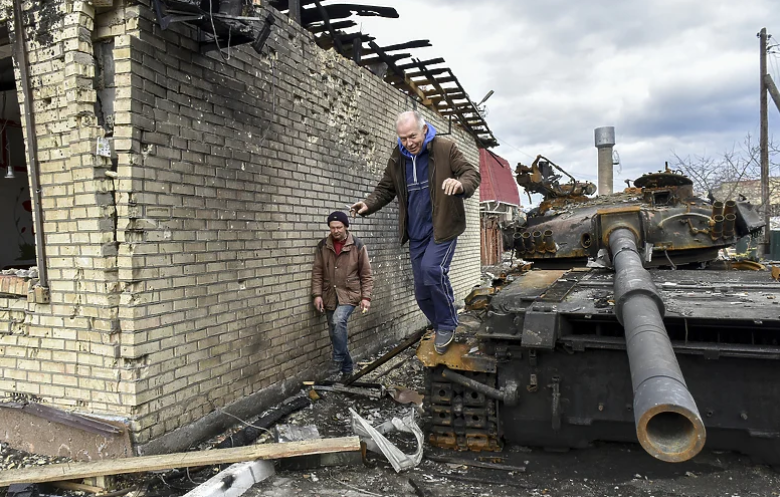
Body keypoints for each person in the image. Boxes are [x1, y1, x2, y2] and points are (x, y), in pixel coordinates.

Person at [351, 110, 480, 354]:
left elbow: (471, 173)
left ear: (423, 130)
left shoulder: (444, 148)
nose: (409, 143)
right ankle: (440, 322)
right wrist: (368, 204)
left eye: (412, 136)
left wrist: (460, 184)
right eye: (403, 138)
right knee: (421, 293)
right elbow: (386, 188)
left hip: (442, 228)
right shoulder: (398, 157)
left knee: (433, 270)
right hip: (417, 233)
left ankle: (447, 324)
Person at [311, 211, 373, 378]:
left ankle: (337, 360)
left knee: (338, 320)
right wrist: (317, 295)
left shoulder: (358, 246)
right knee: (335, 333)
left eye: (339, 227)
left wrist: (366, 297)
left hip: (350, 294)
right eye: (332, 228)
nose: (336, 231)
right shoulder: (323, 246)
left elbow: (366, 274)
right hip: (329, 294)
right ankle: (347, 371)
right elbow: (317, 272)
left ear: (346, 227)